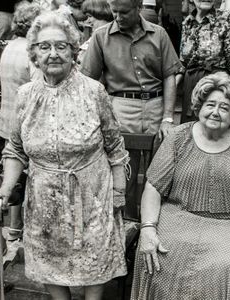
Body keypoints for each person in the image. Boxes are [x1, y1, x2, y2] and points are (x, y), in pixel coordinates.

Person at [0, 11, 129, 300]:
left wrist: (118, 192)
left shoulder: (94, 92)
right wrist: (6, 186)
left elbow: (116, 148)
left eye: (61, 46)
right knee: (49, 263)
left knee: (95, 260)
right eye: (45, 47)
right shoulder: (26, 95)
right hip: (43, 198)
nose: (53, 53)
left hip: (92, 195)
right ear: (34, 54)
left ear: (73, 51)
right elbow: (15, 149)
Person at [130, 73, 230, 299]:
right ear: (199, 107)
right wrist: (148, 228)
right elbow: (153, 187)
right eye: (210, 104)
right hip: (177, 217)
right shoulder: (177, 137)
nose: (215, 112)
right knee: (156, 256)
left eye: (224, 108)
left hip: (229, 223)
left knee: (225, 265)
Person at [80, 0, 182, 219]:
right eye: (114, 12)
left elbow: (169, 77)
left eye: (124, 12)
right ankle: (126, 226)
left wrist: (168, 118)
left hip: (156, 106)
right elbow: (87, 81)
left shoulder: (159, 34)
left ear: (138, 8)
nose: (118, 17)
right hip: (120, 107)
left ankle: (153, 225)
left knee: (158, 173)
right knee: (124, 173)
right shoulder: (101, 37)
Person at [0, 2, 42, 242]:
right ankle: (22, 227)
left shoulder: (9, 47)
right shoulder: (30, 51)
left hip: (7, 120)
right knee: (27, 176)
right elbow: (38, 89)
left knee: (12, 174)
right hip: (26, 124)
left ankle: (13, 227)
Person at [176, 0, 230, 123]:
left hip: (217, 86)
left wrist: (229, 95)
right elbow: (183, 63)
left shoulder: (225, 19)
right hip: (191, 87)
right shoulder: (187, 23)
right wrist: (170, 89)